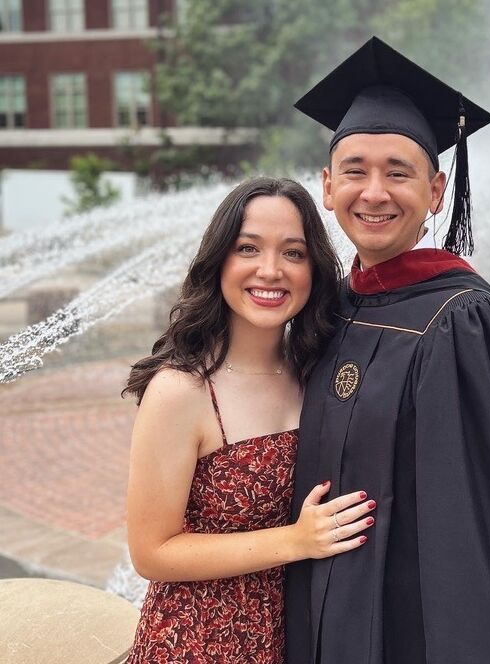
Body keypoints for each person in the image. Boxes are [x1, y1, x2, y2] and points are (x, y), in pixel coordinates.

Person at [285, 37, 490, 664]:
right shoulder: (328, 309)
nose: (373, 192)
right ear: (326, 187)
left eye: (398, 173)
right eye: (355, 170)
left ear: (436, 192)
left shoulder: (468, 324)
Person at [122, 177, 376, 663]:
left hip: (295, 637)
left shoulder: (318, 374)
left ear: (314, 269)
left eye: (294, 253)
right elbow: (151, 552)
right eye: (248, 248)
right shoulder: (183, 390)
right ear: (220, 260)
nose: (270, 270)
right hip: (198, 643)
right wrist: (296, 540)